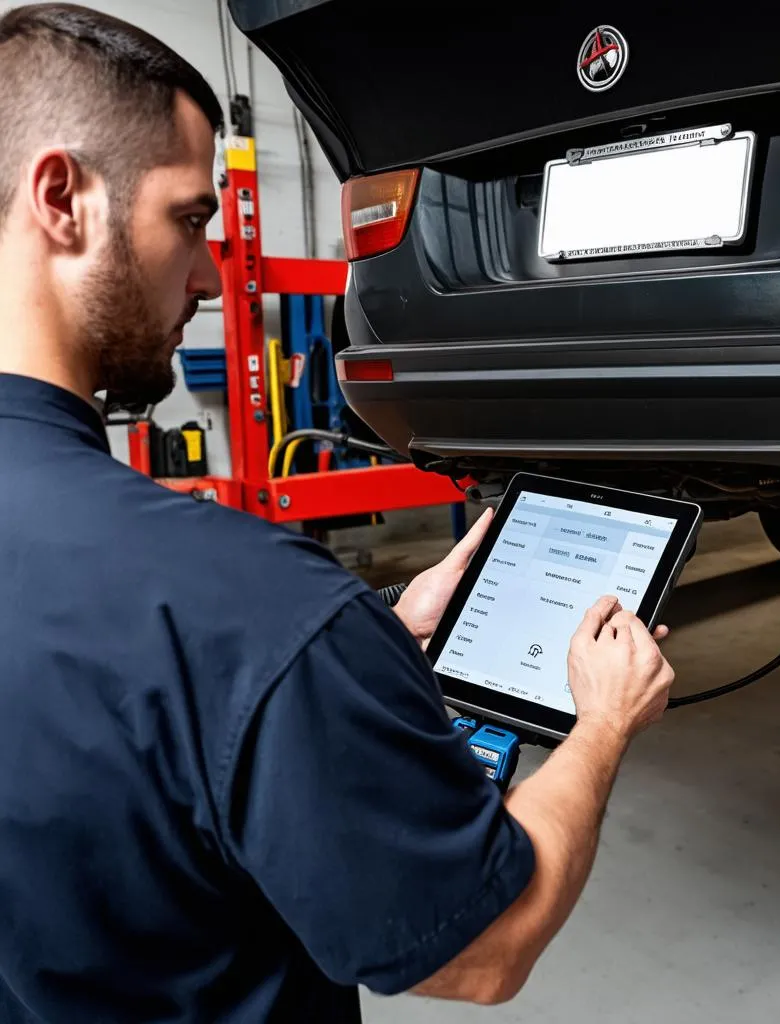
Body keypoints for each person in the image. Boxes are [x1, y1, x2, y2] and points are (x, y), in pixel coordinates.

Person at [0, 5, 677, 1022]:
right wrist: (602, 723)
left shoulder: (255, 620)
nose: (203, 275)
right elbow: (483, 949)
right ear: (63, 198)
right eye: (189, 220)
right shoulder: (252, 606)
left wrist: (367, 635)